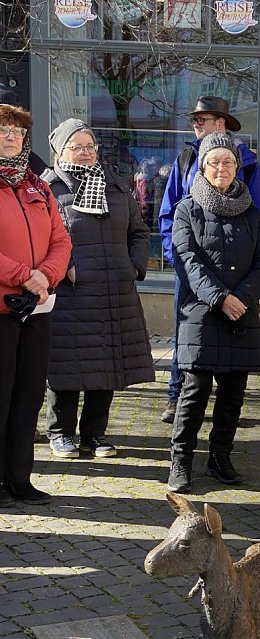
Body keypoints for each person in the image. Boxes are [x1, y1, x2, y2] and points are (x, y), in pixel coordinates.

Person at [42, 119, 154, 459]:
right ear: (61, 151)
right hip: (70, 292)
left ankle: (95, 435)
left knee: (106, 366)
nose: (86, 152)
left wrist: (133, 266)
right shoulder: (48, 189)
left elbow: (140, 232)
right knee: (66, 366)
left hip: (114, 291)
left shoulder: (116, 186)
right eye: (76, 146)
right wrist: (66, 266)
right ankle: (60, 433)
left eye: (90, 146)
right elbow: (42, 238)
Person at [167, 131, 260, 493]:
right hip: (201, 313)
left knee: (233, 394)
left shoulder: (252, 213)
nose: (222, 167)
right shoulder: (187, 209)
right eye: (214, 162)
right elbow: (186, 260)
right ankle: (180, 462)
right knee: (193, 393)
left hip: (241, 314)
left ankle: (220, 458)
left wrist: (240, 298)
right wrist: (219, 298)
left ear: (237, 168)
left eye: (228, 161)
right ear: (203, 167)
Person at [158, 96, 260, 425]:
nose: (195, 125)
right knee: (187, 333)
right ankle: (178, 396)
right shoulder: (187, 157)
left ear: (220, 122)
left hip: (235, 270)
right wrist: (175, 256)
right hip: (193, 269)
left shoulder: (246, 163)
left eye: (201, 119)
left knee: (232, 329)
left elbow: (257, 214)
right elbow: (169, 213)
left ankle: (225, 400)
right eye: (194, 120)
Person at [0, 104, 71, 505]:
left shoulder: (36, 186)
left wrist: (45, 275)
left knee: (29, 395)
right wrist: (23, 274)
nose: (12, 137)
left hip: (37, 307)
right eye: (4, 129)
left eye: (17, 131)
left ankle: (18, 478)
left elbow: (61, 240)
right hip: (3, 309)